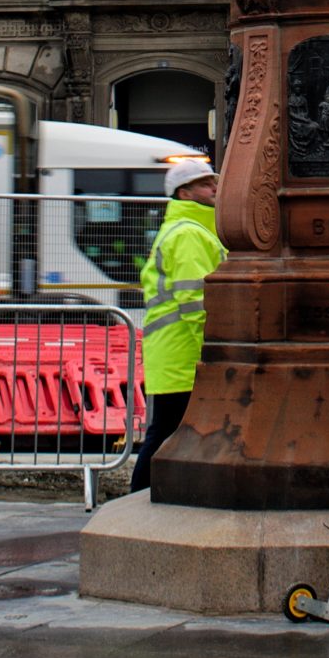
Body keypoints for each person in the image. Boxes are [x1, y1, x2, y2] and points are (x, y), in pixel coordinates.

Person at [132, 157, 224, 495]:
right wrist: (213, 346)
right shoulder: (189, 234)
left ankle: (143, 495)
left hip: (174, 352)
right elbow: (195, 299)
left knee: (169, 429)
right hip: (183, 352)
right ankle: (138, 495)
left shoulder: (189, 230)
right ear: (184, 193)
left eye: (213, 182)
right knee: (167, 430)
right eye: (204, 184)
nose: (214, 188)